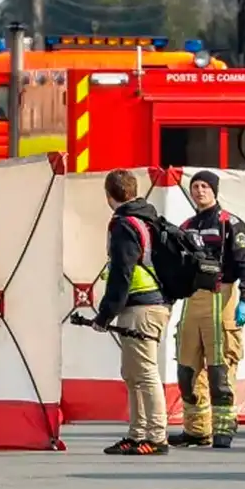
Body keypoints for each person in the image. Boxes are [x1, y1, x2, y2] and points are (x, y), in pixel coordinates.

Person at [168, 171, 245, 450]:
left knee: (220, 370)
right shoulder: (186, 225)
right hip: (192, 300)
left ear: (214, 190)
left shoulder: (230, 223)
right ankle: (196, 431)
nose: (199, 191)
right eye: (195, 186)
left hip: (223, 297)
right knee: (186, 370)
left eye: (205, 186)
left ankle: (223, 428)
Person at [93, 169, 172, 456]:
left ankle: (156, 435)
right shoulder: (147, 218)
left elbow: (121, 274)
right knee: (132, 372)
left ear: (108, 195)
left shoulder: (125, 225)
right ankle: (138, 434)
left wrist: (104, 316)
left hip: (141, 305)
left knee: (145, 372)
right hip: (152, 304)